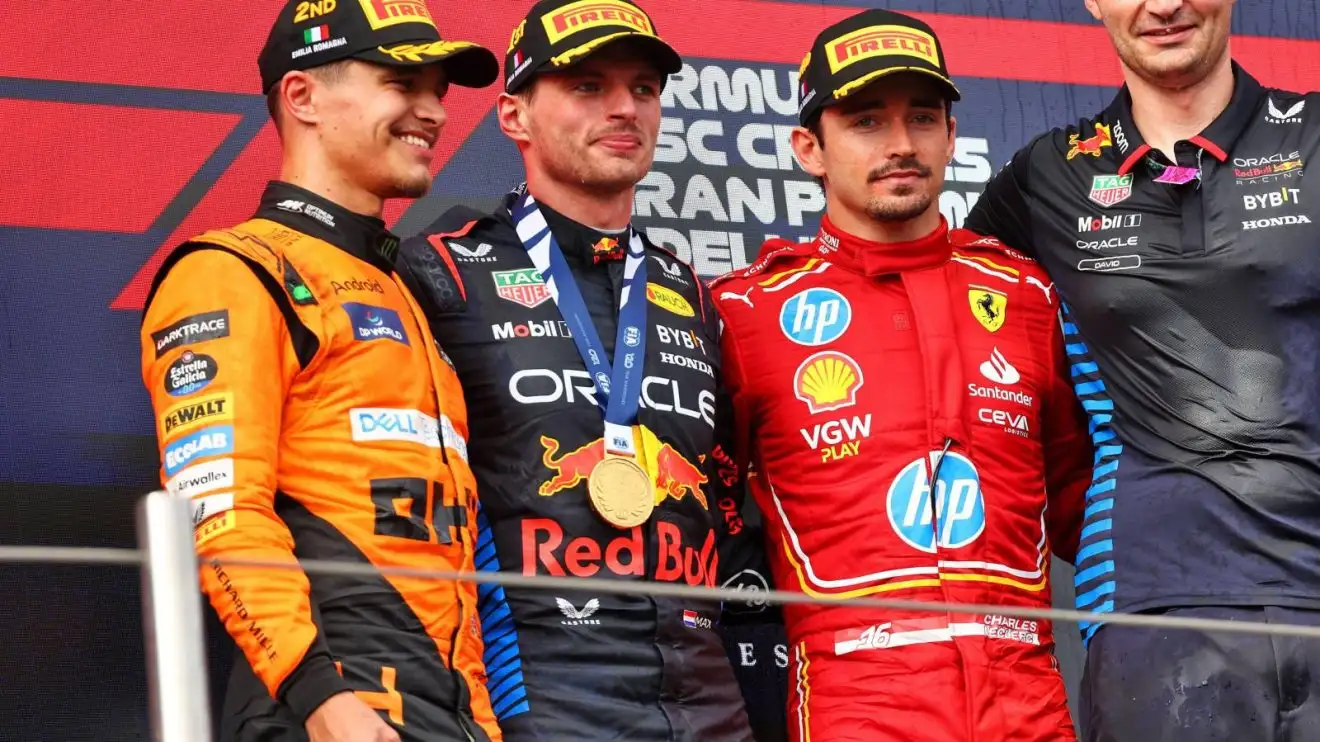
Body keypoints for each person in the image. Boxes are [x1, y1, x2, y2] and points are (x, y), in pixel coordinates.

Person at [711, 9, 1093, 741]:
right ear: (808, 148)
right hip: (856, 701)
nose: (900, 146)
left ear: (952, 136)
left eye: (923, 118)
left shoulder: (1027, 296)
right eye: (864, 122)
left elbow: (1083, 504)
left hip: (1028, 701)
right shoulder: (747, 311)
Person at [394, 1, 768, 740]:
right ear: (513, 116)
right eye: (588, 87)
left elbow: (727, 499)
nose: (625, 108)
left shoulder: (692, 293)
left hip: (707, 701)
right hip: (539, 695)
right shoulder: (439, 271)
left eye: (643, 88)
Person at [138, 2, 502, 740]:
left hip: (451, 705)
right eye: (403, 83)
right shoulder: (232, 271)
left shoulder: (405, 287)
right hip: (331, 701)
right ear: (301, 97)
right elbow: (220, 510)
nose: (433, 112)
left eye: (439, 90)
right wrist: (320, 696)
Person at [964, 0, 1320, 739]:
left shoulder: (1315, 134)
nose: (1162, 6)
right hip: (1155, 611)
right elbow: (939, 308)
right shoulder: (1048, 176)